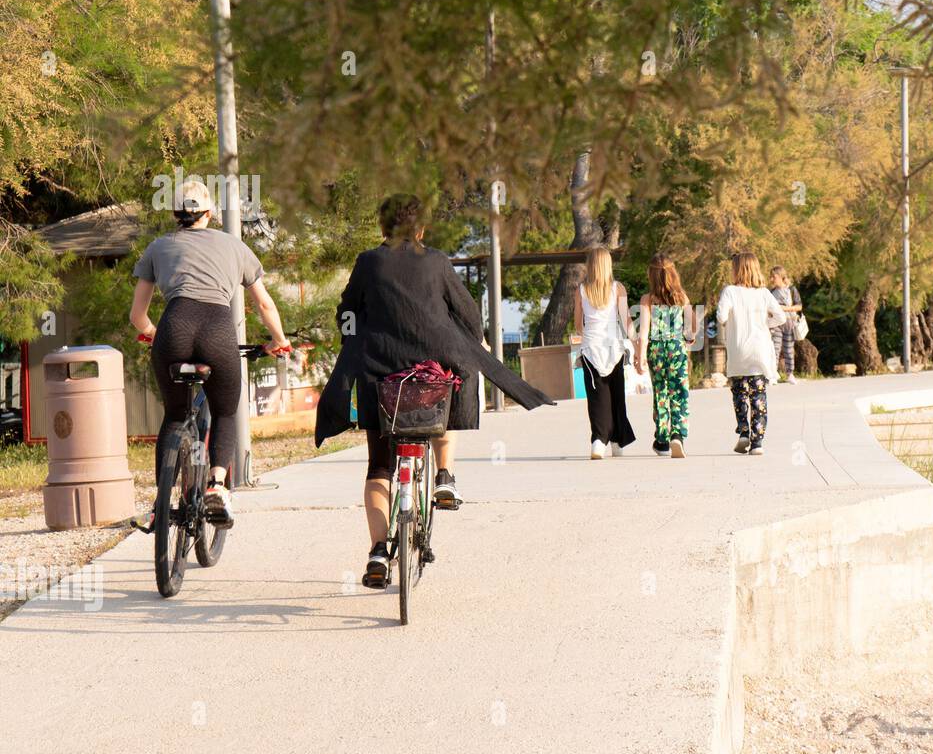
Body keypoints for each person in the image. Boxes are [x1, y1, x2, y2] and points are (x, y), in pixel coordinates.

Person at [313, 194, 553, 588]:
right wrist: (475, 342)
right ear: (421, 230)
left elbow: (348, 314)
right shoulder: (439, 262)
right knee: (452, 385)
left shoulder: (368, 262)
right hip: (431, 373)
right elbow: (468, 315)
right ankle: (444, 475)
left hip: (380, 376)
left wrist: (354, 342)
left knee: (379, 467)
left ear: (383, 228)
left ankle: (377, 551)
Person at [130, 179, 291, 529]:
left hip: (174, 328)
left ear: (175, 213)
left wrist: (156, 334)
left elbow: (137, 318)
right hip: (218, 332)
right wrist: (279, 340)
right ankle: (217, 484)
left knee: (174, 416)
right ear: (210, 212)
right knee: (225, 410)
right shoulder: (234, 246)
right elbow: (263, 303)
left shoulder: (158, 247)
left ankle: (160, 504)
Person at [717, 252, 788, 456]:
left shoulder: (729, 291)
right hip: (760, 350)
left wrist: (732, 321)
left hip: (739, 351)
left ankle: (743, 432)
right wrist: (766, 324)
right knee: (758, 396)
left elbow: (721, 316)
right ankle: (757, 443)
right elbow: (781, 317)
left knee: (740, 393)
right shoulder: (764, 293)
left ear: (737, 269)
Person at [573, 246, 635, 459]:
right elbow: (626, 319)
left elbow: (578, 325)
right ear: (608, 265)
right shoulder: (618, 289)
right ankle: (618, 442)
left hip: (591, 348)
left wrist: (588, 331)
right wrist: (636, 342)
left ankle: (598, 441)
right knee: (617, 395)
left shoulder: (581, 290)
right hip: (614, 347)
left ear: (590, 266)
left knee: (597, 397)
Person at [634, 253, 697, 458]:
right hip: (677, 349)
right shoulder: (681, 297)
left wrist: (640, 357)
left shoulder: (647, 300)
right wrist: (690, 337)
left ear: (651, 276)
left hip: (656, 351)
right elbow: (693, 324)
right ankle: (677, 435)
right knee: (679, 392)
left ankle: (662, 441)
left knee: (661, 393)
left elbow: (643, 333)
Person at [767, 265, 803, 383]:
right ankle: (773, 374)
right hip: (776, 324)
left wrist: (784, 308)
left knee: (788, 349)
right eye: (771, 277)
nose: (772, 279)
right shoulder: (771, 292)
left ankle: (790, 374)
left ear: (781, 277)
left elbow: (799, 306)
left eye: (774, 276)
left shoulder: (791, 290)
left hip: (789, 323)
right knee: (775, 349)